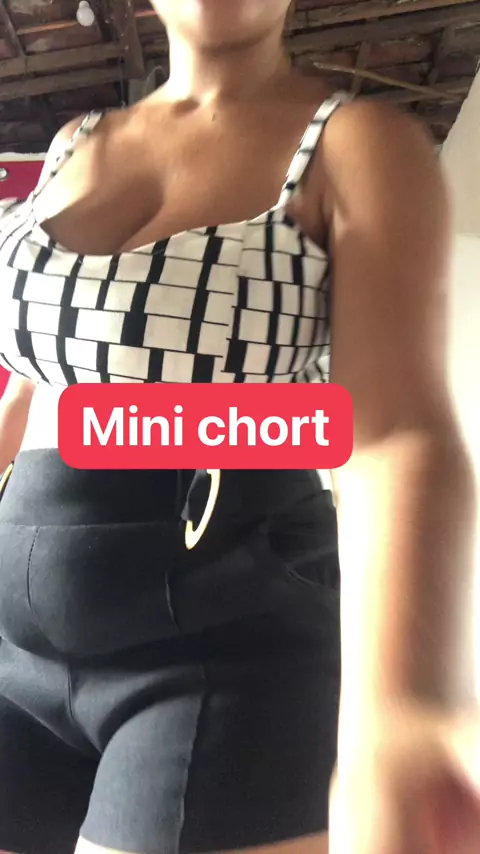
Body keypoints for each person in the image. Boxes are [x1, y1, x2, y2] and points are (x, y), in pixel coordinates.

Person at [0, 1, 479, 853]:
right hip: (14, 651)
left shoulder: (355, 145)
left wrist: (399, 711)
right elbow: (48, 377)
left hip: (226, 650)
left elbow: (392, 434)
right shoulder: (74, 142)